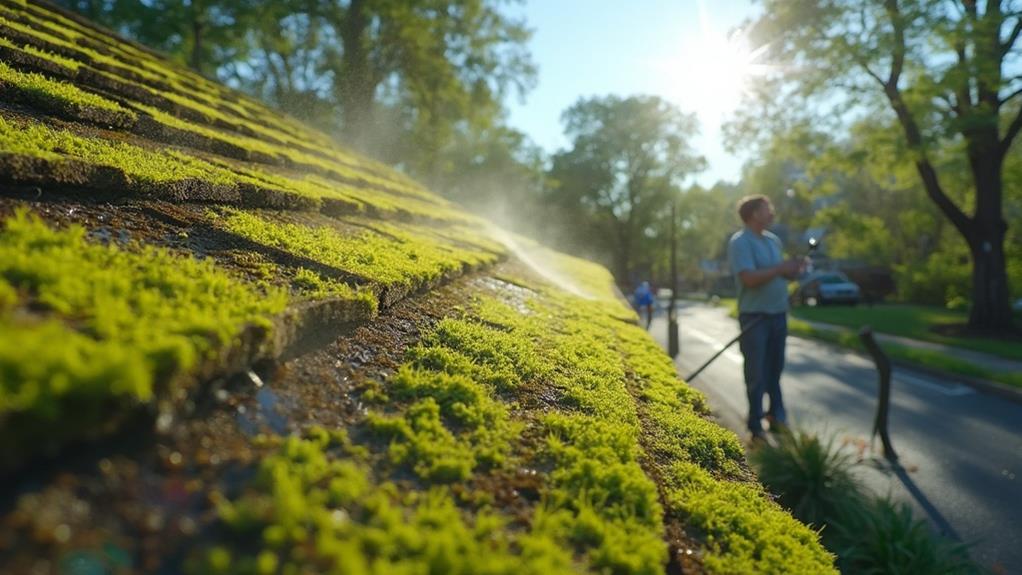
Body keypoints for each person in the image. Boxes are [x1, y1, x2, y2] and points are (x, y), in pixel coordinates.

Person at [727, 195, 805, 443]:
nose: (771, 213)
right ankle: (755, 425)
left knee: (775, 370)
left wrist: (793, 270)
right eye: (766, 209)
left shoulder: (773, 241)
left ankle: (776, 417)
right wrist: (780, 269)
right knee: (756, 373)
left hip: (778, 315)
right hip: (755, 318)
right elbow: (749, 278)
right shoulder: (740, 242)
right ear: (752, 215)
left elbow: (780, 275)